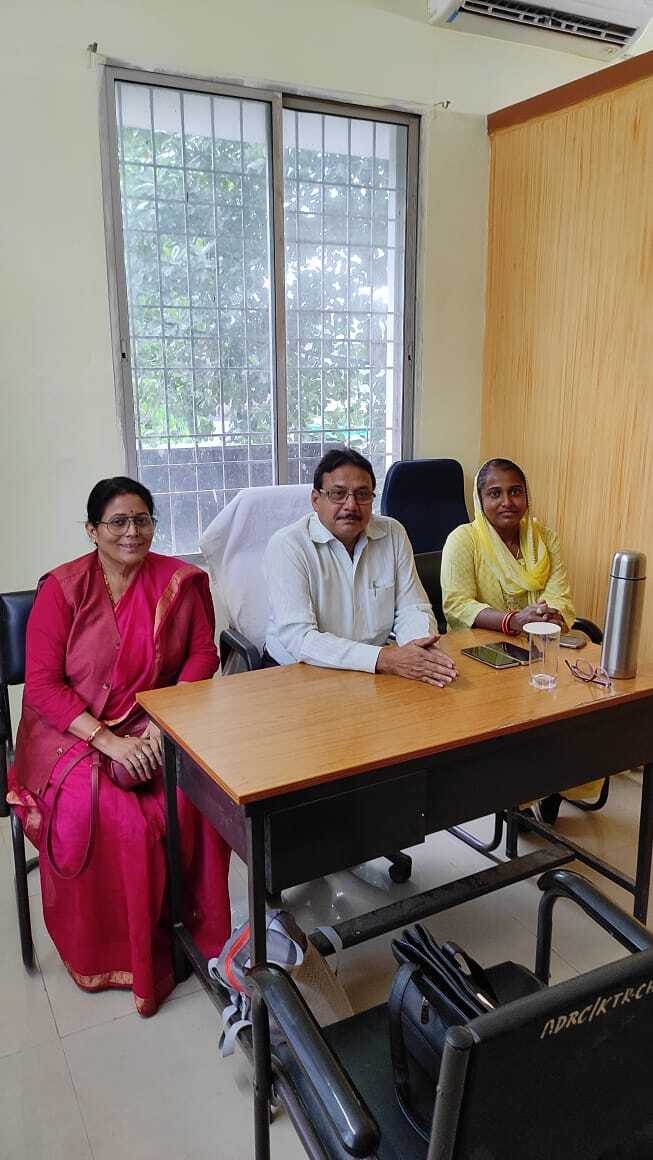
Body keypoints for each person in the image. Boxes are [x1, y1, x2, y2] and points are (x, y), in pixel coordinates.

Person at [8, 477, 231, 1016]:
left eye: (143, 520)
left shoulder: (179, 581)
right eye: (118, 522)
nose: (132, 532)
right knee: (115, 819)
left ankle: (192, 936)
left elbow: (203, 655)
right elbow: (42, 687)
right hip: (70, 731)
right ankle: (125, 956)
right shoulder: (62, 590)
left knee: (199, 799)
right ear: (92, 530)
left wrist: (161, 721)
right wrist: (108, 741)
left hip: (152, 721)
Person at [441, 457, 602, 821]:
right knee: (517, 721)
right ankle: (520, 799)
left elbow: (559, 594)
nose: (507, 502)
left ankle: (557, 786)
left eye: (515, 492)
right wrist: (514, 621)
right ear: (479, 499)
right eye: (494, 493)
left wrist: (548, 615)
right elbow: (457, 605)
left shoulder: (543, 538)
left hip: (542, 648)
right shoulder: (463, 540)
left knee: (582, 708)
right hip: (481, 656)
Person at [264, 448, 457, 688]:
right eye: (338, 494)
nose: (351, 505)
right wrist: (383, 659)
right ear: (315, 500)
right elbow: (300, 638)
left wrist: (420, 649)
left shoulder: (392, 533)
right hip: (298, 673)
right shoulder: (288, 545)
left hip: (373, 671)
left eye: (362, 494)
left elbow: (413, 608)